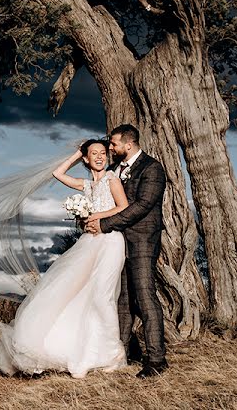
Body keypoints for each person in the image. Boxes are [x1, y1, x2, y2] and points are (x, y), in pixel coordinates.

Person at [0, 138, 130, 379]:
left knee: (103, 295)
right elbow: (58, 173)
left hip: (110, 241)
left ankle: (114, 354)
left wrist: (96, 215)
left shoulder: (112, 179)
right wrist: (77, 154)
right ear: (87, 159)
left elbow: (123, 206)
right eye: (93, 154)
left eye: (103, 153)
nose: (99, 157)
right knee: (79, 293)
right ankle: (86, 351)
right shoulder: (86, 185)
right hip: (90, 242)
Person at [85, 124, 168, 378]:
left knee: (144, 297)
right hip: (117, 242)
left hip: (143, 240)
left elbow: (142, 205)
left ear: (128, 145)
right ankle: (121, 352)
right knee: (121, 300)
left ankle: (156, 359)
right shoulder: (113, 171)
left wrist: (104, 223)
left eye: (113, 144)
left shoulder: (152, 168)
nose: (110, 148)